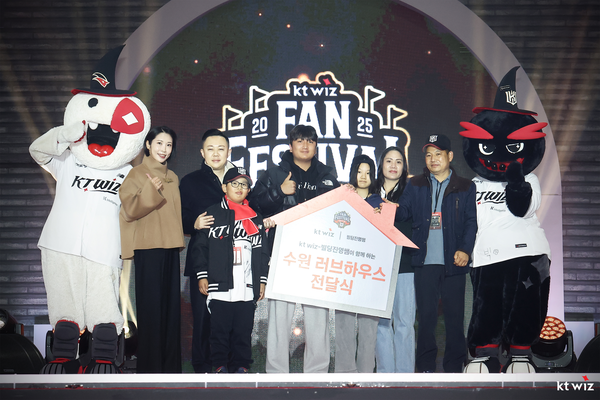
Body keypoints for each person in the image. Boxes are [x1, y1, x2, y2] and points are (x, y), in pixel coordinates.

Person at [249, 124, 340, 373]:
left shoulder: (328, 177)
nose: (305, 145)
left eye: (310, 141)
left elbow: (340, 215)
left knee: (318, 317)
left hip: (318, 254)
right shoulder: (274, 174)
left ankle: (317, 373)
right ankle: (276, 372)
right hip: (284, 253)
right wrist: (278, 192)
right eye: (299, 141)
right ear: (291, 146)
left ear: (316, 146)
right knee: (279, 316)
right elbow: (254, 206)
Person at [395, 134, 477, 373]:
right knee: (426, 319)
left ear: (449, 156)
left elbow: (471, 221)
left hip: (454, 261)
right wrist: (388, 208)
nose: (433, 159)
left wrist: (465, 249)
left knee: (455, 319)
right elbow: (404, 213)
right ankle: (425, 367)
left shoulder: (465, 186)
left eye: (438, 154)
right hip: (424, 261)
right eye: (429, 155)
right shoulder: (415, 184)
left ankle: (454, 367)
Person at [191, 167, 269, 373]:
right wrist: (202, 275)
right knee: (219, 330)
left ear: (249, 190)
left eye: (244, 184)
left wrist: (261, 280)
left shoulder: (256, 218)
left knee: (243, 330)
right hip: (220, 283)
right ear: (225, 187)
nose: (239, 188)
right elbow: (200, 248)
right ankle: (219, 365)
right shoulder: (212, 213)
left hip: (246, 285)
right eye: (234, 183)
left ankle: (241, 366)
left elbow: (262, 253)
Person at [119, 126, 185, 373]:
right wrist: (151, 190)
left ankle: (170, 370)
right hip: (148, 248)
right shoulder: (136, 173)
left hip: (170, 247)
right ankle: (150, 370)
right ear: (148, 145)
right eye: (159, 143)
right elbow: (129, 210)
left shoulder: (173, 176)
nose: (164, 149)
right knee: (150, 311)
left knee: (170, 312)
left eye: (168, 145)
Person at [180, 129, 235, 373]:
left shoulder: (239, 181)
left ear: (228, 152)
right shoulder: (190, 181)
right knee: (202, 318)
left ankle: (229, 367)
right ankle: (201, 369)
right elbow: (178, 217)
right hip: (203, 260)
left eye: (220, 149)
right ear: (202, 153)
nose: (216, 153)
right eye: (210, 149)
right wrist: (193, 223)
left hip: (235, 260)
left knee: (230, 318)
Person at [334, 154, 381, 373]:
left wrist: (382, 216)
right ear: (353, 173)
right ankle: (344, 374)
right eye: (359, 171)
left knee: (369, 328)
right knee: (343, 325)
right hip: (346, 270)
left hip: (370, 273)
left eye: (368, 172)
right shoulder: (342, 199)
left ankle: (366, 375)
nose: (363, 177)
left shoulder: (380, 203)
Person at [374, 146, 416, 373]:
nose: (393, 165)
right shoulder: (369, 191)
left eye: (398, 161)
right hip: (375, 266)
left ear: (404, 166)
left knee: (404, 322)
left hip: (405, 264)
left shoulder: (412, 192)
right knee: (380, 324)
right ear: (381, 164)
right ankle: (385, 374)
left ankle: (406, 376)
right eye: (388, 160)